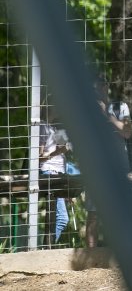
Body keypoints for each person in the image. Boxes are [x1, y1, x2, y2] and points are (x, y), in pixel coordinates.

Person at [85, 75, 132, 247]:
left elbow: (127, 132)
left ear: (107, 86)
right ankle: (92, 257)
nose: (97, 90)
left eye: (100, 86)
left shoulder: (120, 107)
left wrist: (107, 116)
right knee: (94, 213)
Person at [39, 104, 79, 244]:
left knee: (60, 218)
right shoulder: (42, 126)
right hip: (49, 172)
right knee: (62, 219)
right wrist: (58, 152)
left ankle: (46, 249)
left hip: (59, 174)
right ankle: (45, 251)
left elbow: (63, 152)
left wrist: (66, 190)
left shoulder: (56, 128)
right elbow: (38, 156)